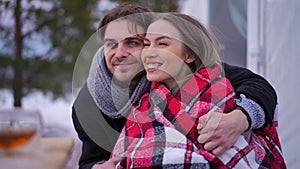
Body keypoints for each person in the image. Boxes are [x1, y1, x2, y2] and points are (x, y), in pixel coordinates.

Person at [72, 3, 279, 169]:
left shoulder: (183, 73)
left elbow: (258, 85)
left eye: (133, 43)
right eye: (111, 44)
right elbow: (90, 159)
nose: (119, 53)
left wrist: (239, 118)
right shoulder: (89, 104)